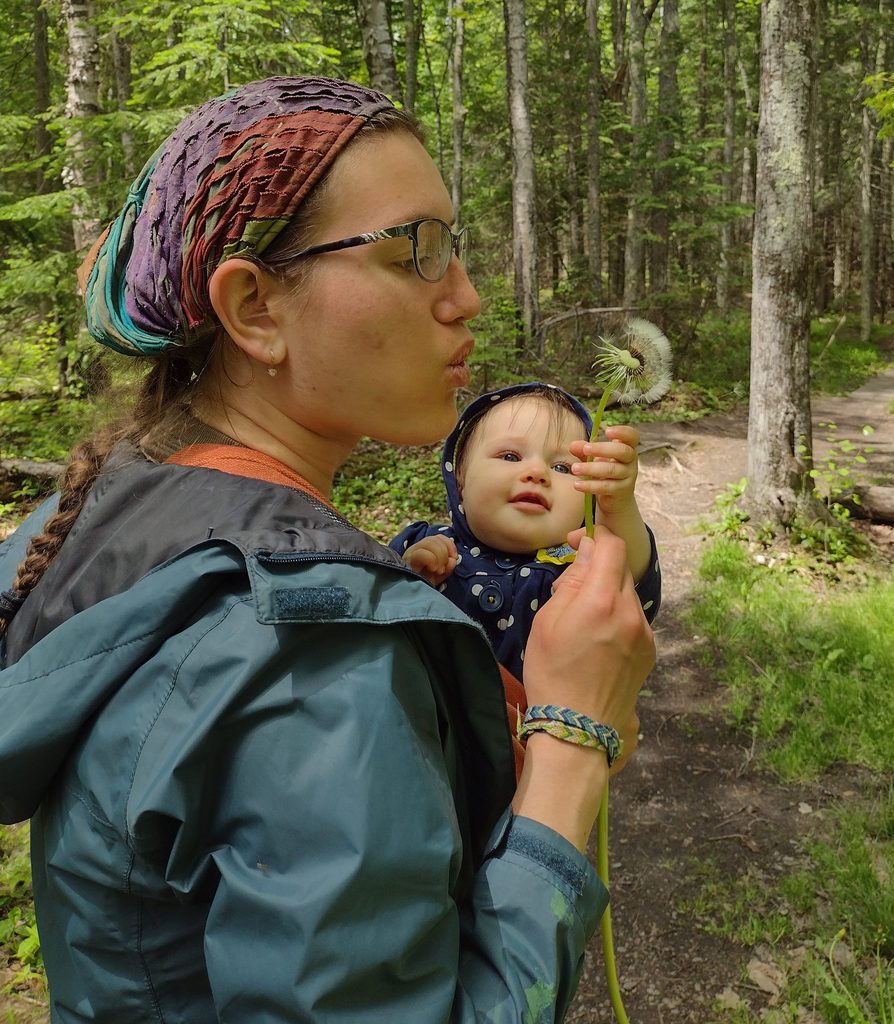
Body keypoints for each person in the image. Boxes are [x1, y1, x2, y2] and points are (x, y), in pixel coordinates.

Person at [0, 77, 655, 1023]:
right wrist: (573, 741)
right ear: (255, 308)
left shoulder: (120, 507)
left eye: (456, 247)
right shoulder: (309, 650)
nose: (467, 298)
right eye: (416, 252)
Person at [390, 382, 661, 675]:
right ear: (460, 481)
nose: (537, 473)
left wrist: (619, 506)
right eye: (510, 457)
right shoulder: (424, 546)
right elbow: (369, 622)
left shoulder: (577, 565)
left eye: (562, 468)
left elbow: (630, 585)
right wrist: (408, 579)